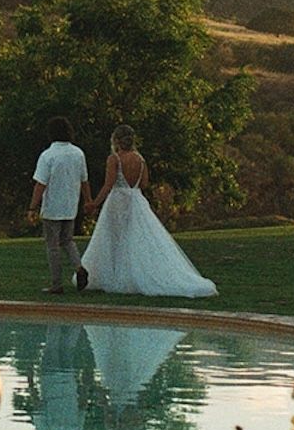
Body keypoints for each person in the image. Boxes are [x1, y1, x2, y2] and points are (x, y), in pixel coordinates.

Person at [81, 124, 216, 298]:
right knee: (133, 237)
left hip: (118, 200)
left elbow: (108, 185)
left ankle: (118, 275)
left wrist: (94, 204)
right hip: (136, 200)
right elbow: (144, 184)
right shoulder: (140, 159)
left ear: (116, 141)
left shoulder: (114, 159)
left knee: (115, 238)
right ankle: (129, 273)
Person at [29, 116, 93, 295]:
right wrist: (88, 201)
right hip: (71, 205)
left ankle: (56, 284)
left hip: (52, 208)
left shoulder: (48, 155)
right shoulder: (78, 154)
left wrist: (32, 207)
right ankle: (79, 267)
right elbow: (84, 181)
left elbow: (40, 184)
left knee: (52, 245)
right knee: (68, 240)